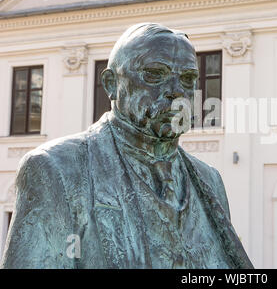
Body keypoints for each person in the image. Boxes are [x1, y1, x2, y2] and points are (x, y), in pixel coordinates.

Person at [1, 23, 253, 269]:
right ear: (111, 84)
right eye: (155, 74)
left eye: (188, 79)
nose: (177, 91)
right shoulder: (57, 169)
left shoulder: (210, 181)